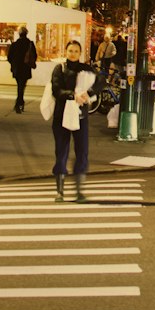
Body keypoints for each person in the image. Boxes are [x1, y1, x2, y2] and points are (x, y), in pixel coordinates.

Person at [50, 40, 100, 202]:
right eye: (70, 50)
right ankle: (60, 191)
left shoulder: (85, 69)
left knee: (82, 151)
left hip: (80, 116)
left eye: (76, 51)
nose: (73, 53)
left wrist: (89, 93)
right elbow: (56, 89)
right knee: (61, 151)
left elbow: (101, 81)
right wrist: (72, 95)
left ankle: (79, 191)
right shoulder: (59, 69)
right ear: (66, 52)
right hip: (61, 116)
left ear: (80, 53)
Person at [7, 26, 38, 114]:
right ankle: (20, 103)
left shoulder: (14, 45)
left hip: (17, 69)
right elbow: (34, 56)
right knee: (22, 85)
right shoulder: (30, 44)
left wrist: (14, 64)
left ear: (19, 34)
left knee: (19, 85)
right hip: (26, 68)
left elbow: (9, 57)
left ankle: (19, 103)